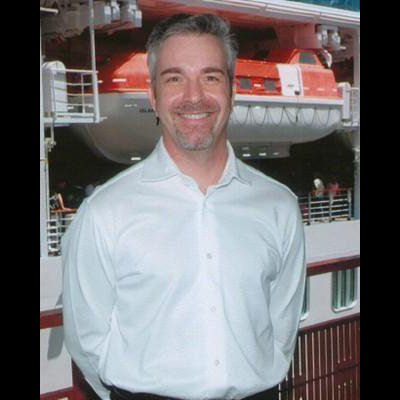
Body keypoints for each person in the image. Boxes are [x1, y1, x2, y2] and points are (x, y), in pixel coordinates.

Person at [62, 14, 306, 400]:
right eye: (175, 78)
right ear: (154, 96)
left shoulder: (279, 206)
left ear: (232, 91)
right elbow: (86, 341)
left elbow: (282, 331)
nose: (194, 96)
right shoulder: (105, 212)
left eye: (211, 77)